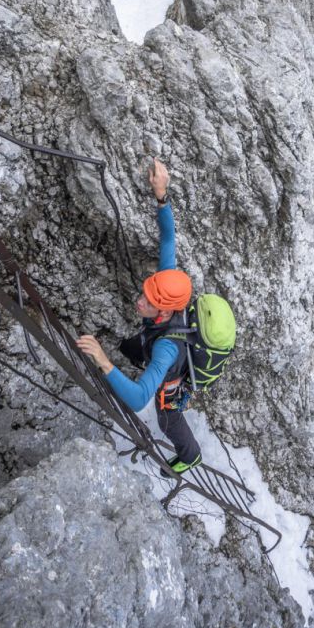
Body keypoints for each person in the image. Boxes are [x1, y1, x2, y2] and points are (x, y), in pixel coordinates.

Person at [76, 158, 202, 475]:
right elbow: (169, 239)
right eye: (146, 293)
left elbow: (138, 399)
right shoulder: (167, 284)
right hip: (155, 343)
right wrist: (161, 194)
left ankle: (190, 456)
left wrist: (104, 362)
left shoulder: (166, 350)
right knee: (132, 347)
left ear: (165, 310)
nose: (139, 300)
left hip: (171, 373)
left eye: (148, 302)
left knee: (167, 418)